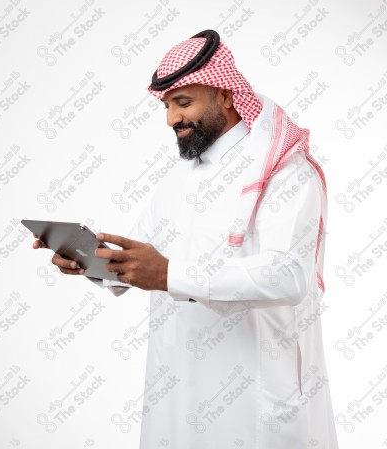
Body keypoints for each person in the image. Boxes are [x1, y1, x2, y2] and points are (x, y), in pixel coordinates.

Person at [32, 30, 339, 448]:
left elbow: (288, 276)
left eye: (183, 102)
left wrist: (170, 274)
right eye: (166, 106)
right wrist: (88, 260)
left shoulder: (284, 171)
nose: (171, 119)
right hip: (178, 393)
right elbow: (140, 260)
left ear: (226, 96)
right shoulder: (177, 180)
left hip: (255, 393)